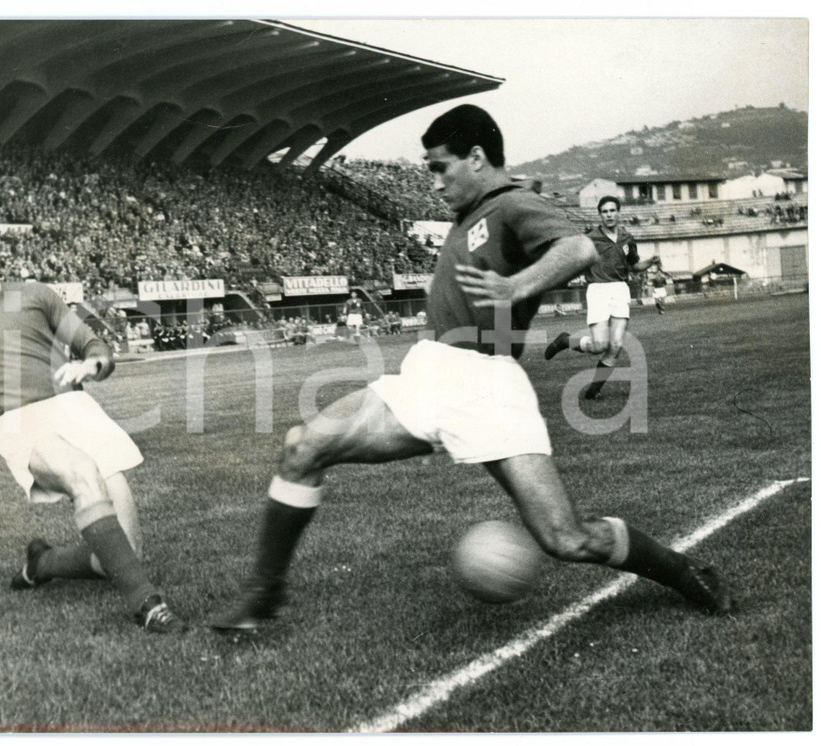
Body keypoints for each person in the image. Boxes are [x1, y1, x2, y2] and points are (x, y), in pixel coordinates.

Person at [210, 104, 729, 631]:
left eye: (441, 167)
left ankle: (682, 570)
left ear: (476, 157)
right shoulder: (471, 212)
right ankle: (264, 594)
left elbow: (577, 248)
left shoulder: (513, 203)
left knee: (565, 538)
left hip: (486, 385)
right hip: (428, 373)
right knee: (304, 447)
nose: (435, 183)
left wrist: (516, 287)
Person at [0, 210, 184, 634]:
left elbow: (94, 345)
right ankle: (150, 606)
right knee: (82, 473)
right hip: (23, 423)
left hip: (78, 409)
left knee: (121, 558)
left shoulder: (33, 295)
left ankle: (42, 563)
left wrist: (92, 364)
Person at [544, 195, 661, 399]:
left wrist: (650, 261)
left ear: (618, 212)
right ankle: (564, 341)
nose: (609, 215)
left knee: (615, 346)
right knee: (599, 346)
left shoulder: (627, 238)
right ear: (600, 215)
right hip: (598, 290)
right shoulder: (590, 238)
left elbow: (634, 266)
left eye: (612, 210)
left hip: (620, 290)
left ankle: (593, 391)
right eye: (605, 211)